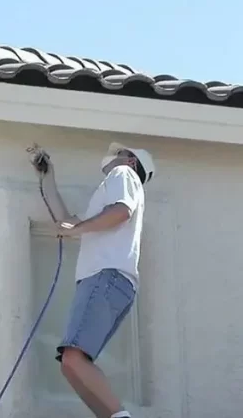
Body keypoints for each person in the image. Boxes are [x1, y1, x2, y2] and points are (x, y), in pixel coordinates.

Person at [33, 142, 155, 418]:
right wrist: (47, 177)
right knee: (71, 363)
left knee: (74, 358)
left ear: (132, 161)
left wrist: (77, 229)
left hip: (105, 276)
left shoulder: (123, 174)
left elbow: (122, 211)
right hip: (110, 282)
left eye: (118, 155)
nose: (110, 160)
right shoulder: (108, 196)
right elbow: (65, 221)